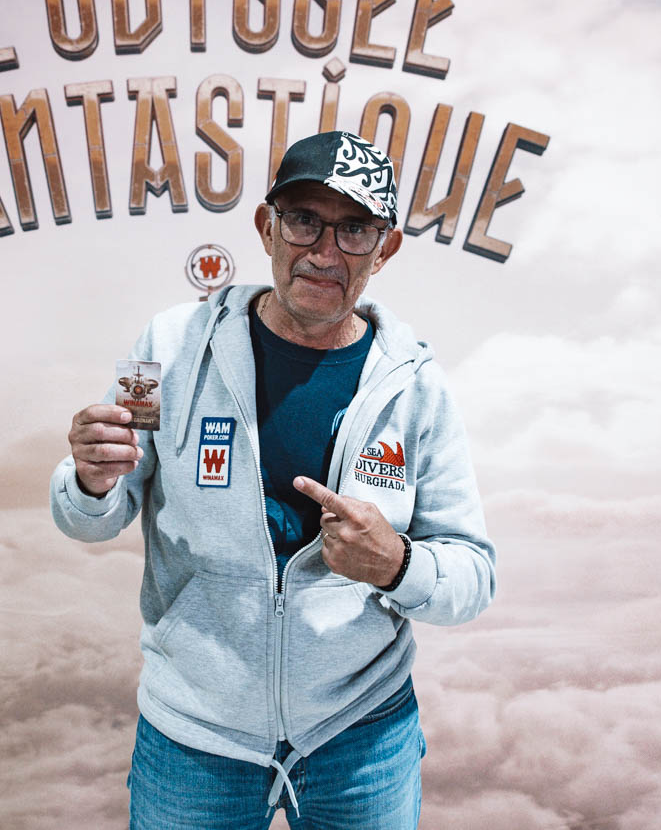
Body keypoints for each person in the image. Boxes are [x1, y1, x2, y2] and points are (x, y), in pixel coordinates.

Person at [51, 130, 495, 829]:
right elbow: (92, 516)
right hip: (194, 737)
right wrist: (89, 481)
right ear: (266, 227)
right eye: (304, 220)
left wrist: (397, 564)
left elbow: (474, 574)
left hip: (363, 737)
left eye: (354, 229)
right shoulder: (170, 346)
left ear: (386, 249)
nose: (325, 251)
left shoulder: (416, 387)